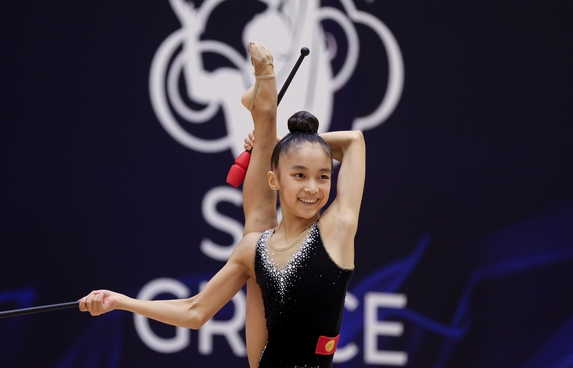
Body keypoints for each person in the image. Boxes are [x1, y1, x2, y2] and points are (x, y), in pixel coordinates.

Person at [80, 42, 366, 367]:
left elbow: (354, 142)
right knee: (257, 234)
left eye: (324, 177)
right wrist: (120, 302)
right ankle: (264, 110)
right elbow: (195, 311)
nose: (313, 188)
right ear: (275, 180)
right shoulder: (252, 250)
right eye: (300, 175)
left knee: (258, 224)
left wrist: (277, 144)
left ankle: (264, 112)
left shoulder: (337, 229)